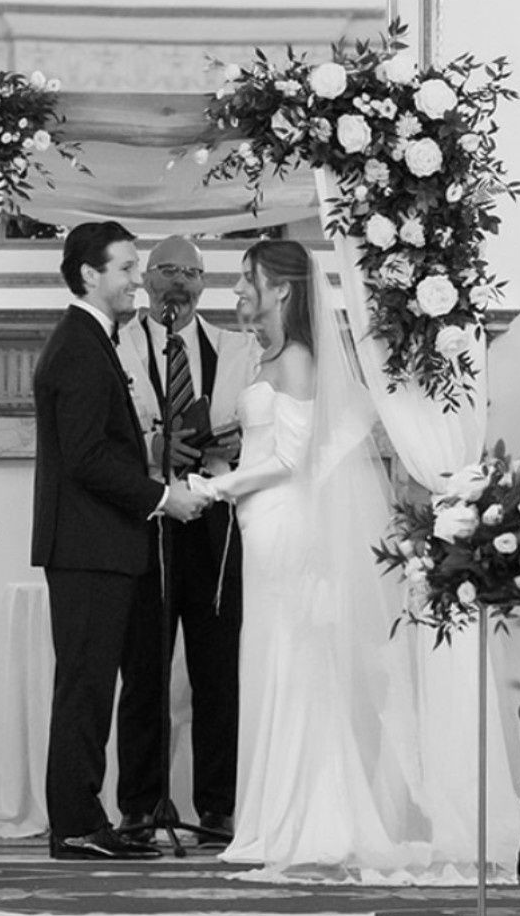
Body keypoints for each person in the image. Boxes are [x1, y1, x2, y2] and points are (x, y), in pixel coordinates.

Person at [188, 240, 428, 875]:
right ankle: (273, 813)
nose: (238, 290)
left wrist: (218, 486)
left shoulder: (294, 358)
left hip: (283, 525)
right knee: (271, 663)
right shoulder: (268, 356)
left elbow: (291, 459)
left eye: (249, 279)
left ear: (284, 290)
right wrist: (225, 468)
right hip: (262, 526)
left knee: (292, 663)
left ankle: (304, 815)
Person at [31, 221, 204, 861]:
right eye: (128, 268)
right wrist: (162, 496)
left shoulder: (95, 339)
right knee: (84, 691)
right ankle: (75, 825)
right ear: (89, 276)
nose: (140, 280)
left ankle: (85, 819)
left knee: (93, 689)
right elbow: (86, 459)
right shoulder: (79, 345)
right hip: (87, 549)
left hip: (99, 546)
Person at [114, 235, 258, 846]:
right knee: (144, 669)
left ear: (204, 285)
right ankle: (141, 807)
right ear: (146, 280)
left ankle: (218, 808)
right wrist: (150, 448)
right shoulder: (114, 344)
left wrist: (235, 447)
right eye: (167, 270)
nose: (178, 282)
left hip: (215, 523)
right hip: (145, 519)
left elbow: (266, 422)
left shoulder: (239, 349)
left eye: (190, 273)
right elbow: (99, 431)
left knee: (217, 671)